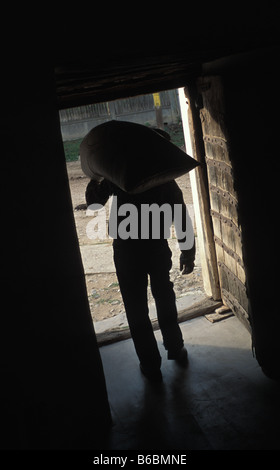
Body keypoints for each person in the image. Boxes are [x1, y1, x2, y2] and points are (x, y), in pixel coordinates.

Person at [85, 174, 195, 383]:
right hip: (156, 246)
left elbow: (93, 203)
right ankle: (175, 347)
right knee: (164, 296)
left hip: (127, 250)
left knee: (135, 307)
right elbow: (180, 216)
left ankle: (150, 364)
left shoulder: (118, 174)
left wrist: (95, 177)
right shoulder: (163, 177)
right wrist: (188, 252)